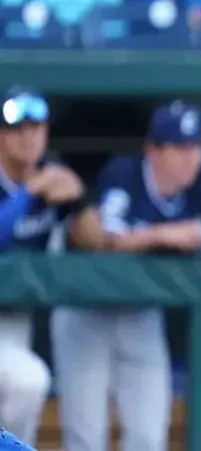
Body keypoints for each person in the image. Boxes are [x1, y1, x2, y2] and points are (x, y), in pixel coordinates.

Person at [51, 100, 201, 451]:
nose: (190, 158)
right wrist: (166, 235)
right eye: (178, 148)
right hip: (86, 311)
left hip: (140, 313)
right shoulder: (124, 172)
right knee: (86, 437)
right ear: (153, 150)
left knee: (148, 435)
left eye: (195, 147)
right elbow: (107, 241)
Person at [0, 87, 101, 447]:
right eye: (17, 128)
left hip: (17, 322)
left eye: (36, 127)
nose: (28, 137)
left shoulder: (52, 176)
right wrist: (29, 193)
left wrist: (79, 199)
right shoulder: (32, 186)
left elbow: (96, 240)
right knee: (28, 381)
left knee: (24, 389)